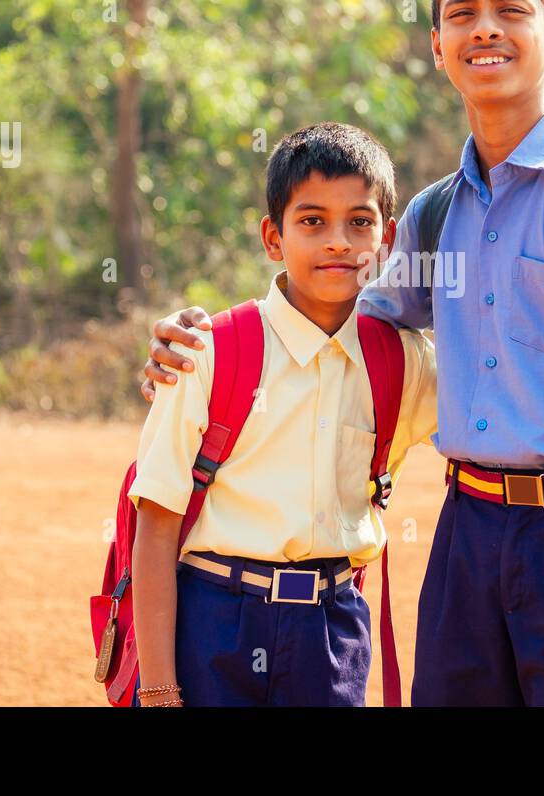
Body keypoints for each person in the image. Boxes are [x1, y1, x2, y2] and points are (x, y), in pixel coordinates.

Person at [143, 0, 544, 707]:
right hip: (468, 543)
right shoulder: (434, 216)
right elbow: (321, 323)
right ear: (438, 45)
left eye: (511, 9)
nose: (485, 29)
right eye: (461, 13)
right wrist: (194, 345)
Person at [129, 122, 437, 706]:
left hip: (330, 631)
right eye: (312, 220)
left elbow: (493, 427)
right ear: (273, 237)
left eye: (361, 221)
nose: (339, 242)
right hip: (214, 620)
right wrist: (161, 690)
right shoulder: (209, 351)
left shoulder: (402, 360)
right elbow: (157, 523)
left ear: (389, 239)